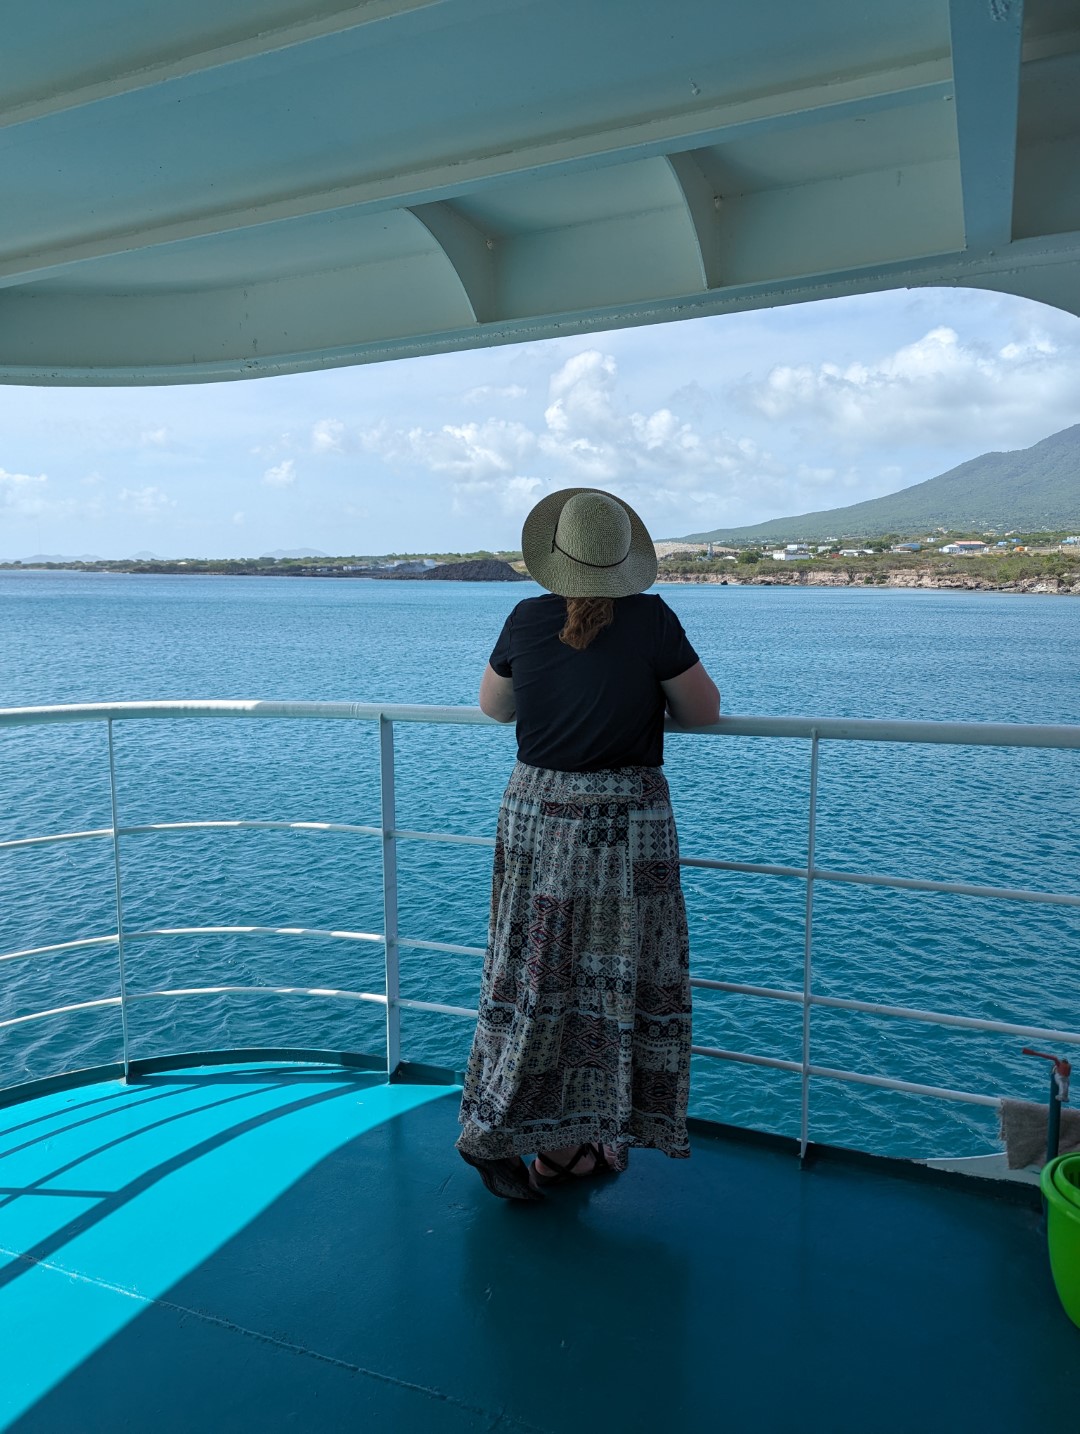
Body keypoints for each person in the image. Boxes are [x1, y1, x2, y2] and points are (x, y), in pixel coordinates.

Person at [455, 487, 721, 1202]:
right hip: (623, 830)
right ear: (624, 562)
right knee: (607, 987)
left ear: (554, 559)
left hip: (537, 818)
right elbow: (703, 710)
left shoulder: (525, 618)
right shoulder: (653, 621)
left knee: (531, 973)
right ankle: (542, 1140)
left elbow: (493, 705)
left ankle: (538, 1137)